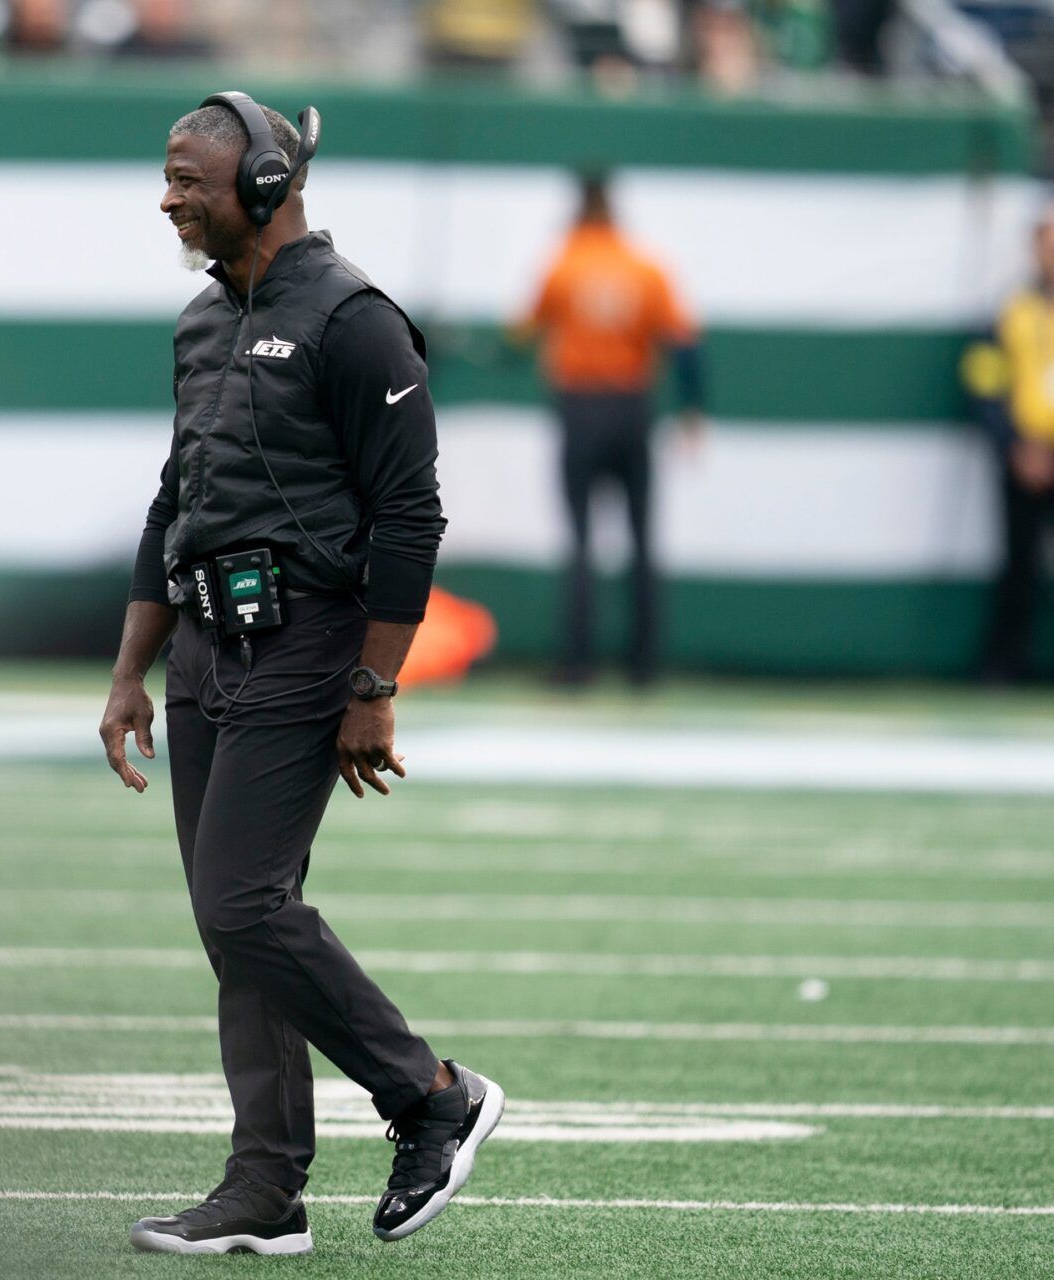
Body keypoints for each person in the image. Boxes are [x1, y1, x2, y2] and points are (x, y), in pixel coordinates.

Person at [97, 92, 503, 1258]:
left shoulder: (357, 318)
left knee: (240, 900)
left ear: (266, 184)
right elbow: (175, 504)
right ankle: (265, 1186)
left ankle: (431, 1093)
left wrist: (373, 686)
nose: (167, 197)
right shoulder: (197, 323)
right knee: (237, 926)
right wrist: (131, 669)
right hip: (205, 648)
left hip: (309, 642)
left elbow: (411, 514)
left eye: (188, 178)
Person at [510, 171, 704, 687]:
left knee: (580, 541)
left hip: (581, 408)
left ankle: (578, 665)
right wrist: (693, 409)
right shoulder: (645, 266)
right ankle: (644, 666)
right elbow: (684, 341)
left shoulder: (564, 263)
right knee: (641, 538)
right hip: (632, 407)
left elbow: (522, 333)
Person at [966, 213, 1054, 683]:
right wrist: (1015, 444)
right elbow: (984, 379)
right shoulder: (1012, 310)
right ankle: (1004, 664)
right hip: (1025, 457)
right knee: (1017, 565)